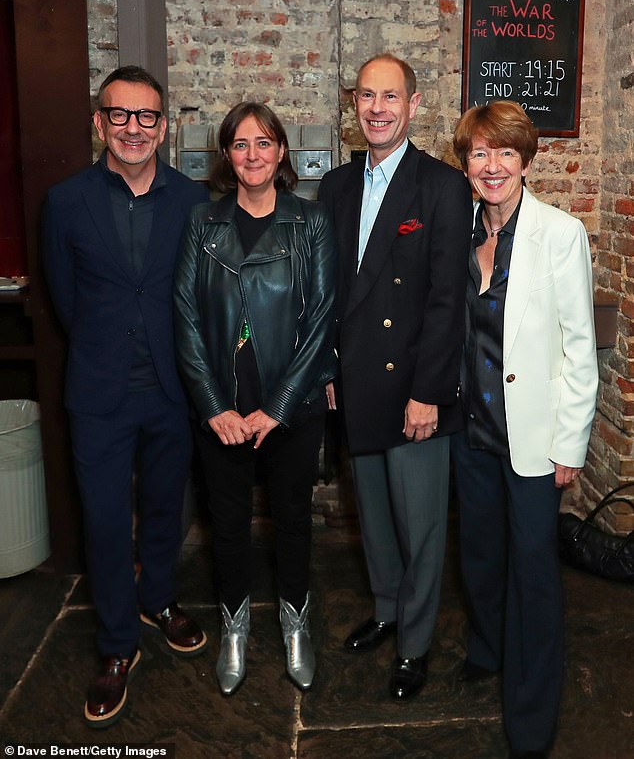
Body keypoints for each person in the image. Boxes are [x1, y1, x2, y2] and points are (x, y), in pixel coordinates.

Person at [42, 66, 208, 729]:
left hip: (172, 390)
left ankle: (158, 598)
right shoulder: (65, 202)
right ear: (99, 122)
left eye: (146, 117)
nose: (134, 128)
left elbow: (198, 296)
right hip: (100, 392)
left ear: (163, 127)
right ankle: (116, 646)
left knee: (167, 506)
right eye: (120, 115)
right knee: (108, 521)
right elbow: (65, 297)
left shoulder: (192, 200)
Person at [317, 54, 473, 701]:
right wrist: (328, 371)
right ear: (354, 105)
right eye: (366, 96)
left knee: (421, 527)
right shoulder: (334, 186)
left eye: (391, 97)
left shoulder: (441, 186)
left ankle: (414, 645)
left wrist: (427, 393)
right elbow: (327, 292)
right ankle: (386, 611)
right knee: (375, 518)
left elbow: (446, 301)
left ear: (413, 105)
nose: (377, 108)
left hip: (414, 391)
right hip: (356, 383)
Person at [451, 101, 598, 759]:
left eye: (505, 153)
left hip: (533, 439)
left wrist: (570, 445)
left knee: (534, 572)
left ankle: (532, 713)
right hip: (472, 432)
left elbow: (578, 350)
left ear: (526, 161)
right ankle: (488, 649)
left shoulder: (559, 234)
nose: (492, 166)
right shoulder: (458, 234)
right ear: (466, 164)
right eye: (480, 153)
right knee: (480, 556)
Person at [173, 102, 336, 696]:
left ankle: (296, 625)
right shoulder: (202, 223)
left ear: (283, 152)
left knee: (293, 521)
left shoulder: (311, 222)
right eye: (241, 145)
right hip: (223, 412)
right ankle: (234, 630)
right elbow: (186, 318)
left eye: (264, 143)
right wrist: (214, 406)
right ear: (226, 155)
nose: (253, 155)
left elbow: (322, 319)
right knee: (230, 525)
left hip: (289, 410)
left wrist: (281, 405)